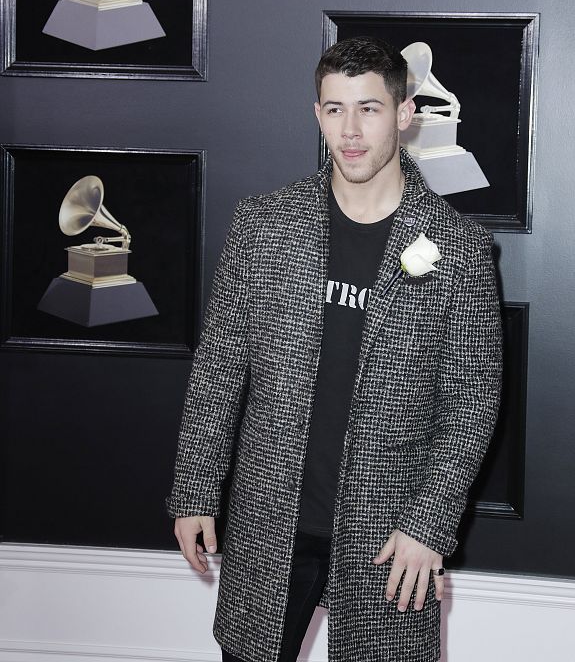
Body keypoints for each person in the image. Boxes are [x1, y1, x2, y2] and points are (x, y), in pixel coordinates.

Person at [166, 36, 502, 662]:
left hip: (390, 537)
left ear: (404, 114)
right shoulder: (265, 226)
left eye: (369, 108)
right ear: (316, 112)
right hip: (270, 521)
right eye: (334, 109)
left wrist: (429, 524)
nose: (350, 131)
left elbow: (473, 401)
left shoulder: (458, 248)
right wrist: (195, 490)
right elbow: (218, 370)